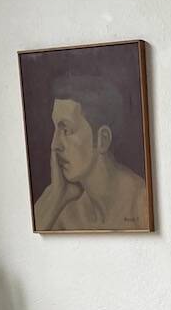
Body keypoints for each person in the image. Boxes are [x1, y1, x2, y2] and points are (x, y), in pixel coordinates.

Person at [33, 75, 148, 231]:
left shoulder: (141, 203)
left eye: (66, 130)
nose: (55, 145)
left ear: (102, 139)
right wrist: (55, 195)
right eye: (55, 129)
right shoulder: (62, 206)